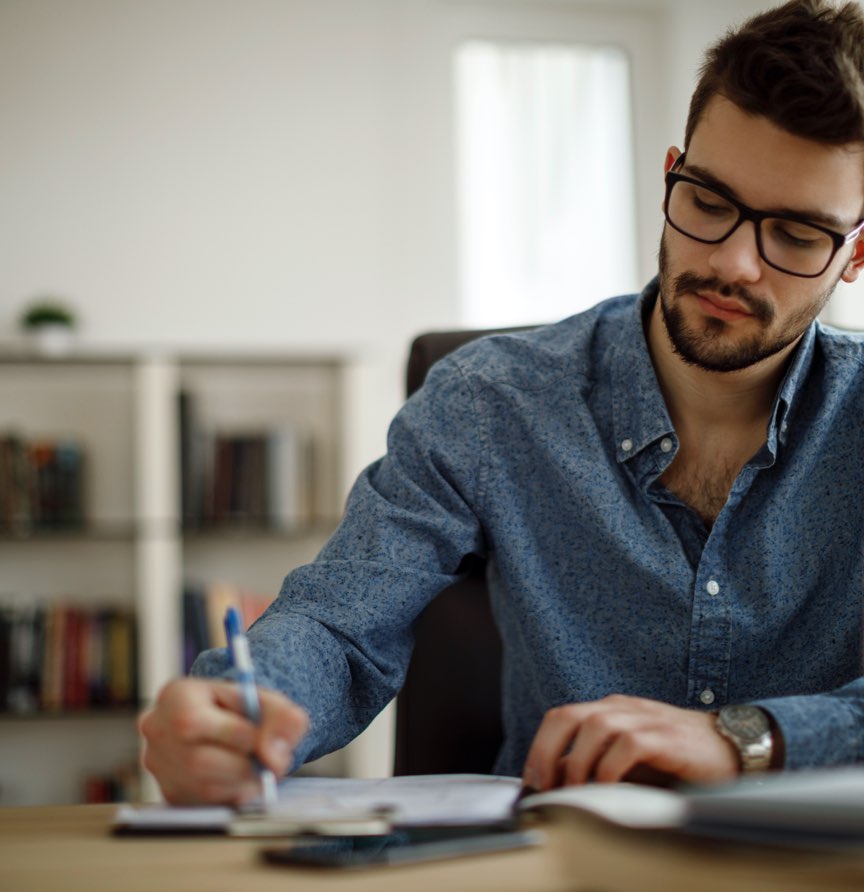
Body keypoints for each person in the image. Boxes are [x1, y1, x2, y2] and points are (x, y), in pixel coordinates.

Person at [139, 0, 864, 805]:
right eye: (708, 201)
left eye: (797, 235)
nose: (733, 262)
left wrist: (745, 739)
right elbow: (343, 624)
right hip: (552, 865)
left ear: (855, 253)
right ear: (670, 173)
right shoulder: (489, 402)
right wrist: (242, 710)